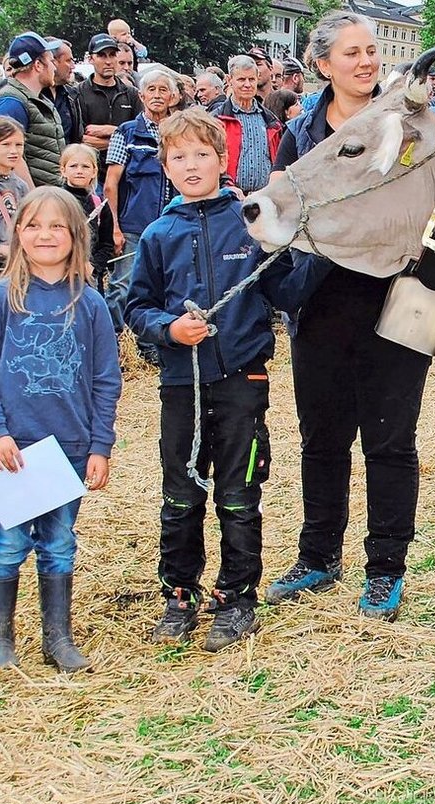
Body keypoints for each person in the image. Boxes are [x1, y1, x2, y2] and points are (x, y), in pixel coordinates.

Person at [266, 11, 434, 620]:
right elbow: (289, 214)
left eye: (371, 51)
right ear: (323, 64)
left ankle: (386, 568)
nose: (366, 61)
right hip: (323, 302)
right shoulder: (300, 132)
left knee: (391, 439)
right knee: (323, 437)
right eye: (352, 53)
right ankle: (318, 557)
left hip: (402, 299)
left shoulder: (407, 123)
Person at [124, 108, 300, 648]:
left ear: (222, 159)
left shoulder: (249, 219)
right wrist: (169, 330)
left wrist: (314, 254)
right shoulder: (158, 233)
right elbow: (137, 307)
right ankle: (179, 595)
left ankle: (237, 597)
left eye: (203, 154)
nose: (192, 164)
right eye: (179, 157)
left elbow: (286, 289)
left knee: (239, 492)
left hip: (241, 379)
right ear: (165, 166)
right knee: (180, 493)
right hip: (181, 382)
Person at [0, 186, 121, 672]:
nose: (45, 235)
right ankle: (3, 639)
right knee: (8, 542)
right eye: (33, 225)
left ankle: (58, 639)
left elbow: (106, 379)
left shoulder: (90, 304)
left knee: (58, 540)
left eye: (57, 226)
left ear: (76, 236)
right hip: (15, 449)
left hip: (67, 447)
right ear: (18, 233)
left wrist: (99, 444)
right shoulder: (5, 298)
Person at [105, 66, 179, 305]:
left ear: (172, 97)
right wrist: (115, 226)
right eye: (151, 89)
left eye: (163, 90)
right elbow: (110, 184)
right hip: (134, 225)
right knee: (123, 285)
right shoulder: (126, 133)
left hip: (172, 223)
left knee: (169, 284)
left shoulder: (179, 134)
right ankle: (112, 338)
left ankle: (154, 340)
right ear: (141, 96)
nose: (157, 95)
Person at [207, 56, 284, 194]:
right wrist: (225, 186)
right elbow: (207, 161)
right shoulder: (215, 120)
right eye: (241, 79)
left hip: (265, 196)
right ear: (230, 80)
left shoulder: (271, 121)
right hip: (228, 197)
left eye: (252, 79)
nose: (247, 85)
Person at [0, 32, 64, 187]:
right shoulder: (12, 101)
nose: (54, 67)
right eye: (51, 60)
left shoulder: (37, 99)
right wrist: (33, 199)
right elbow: (12, 157)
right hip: (34, 201)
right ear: (38, 65)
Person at [75, 34, 140, 186]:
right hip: (91, 175)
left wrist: (112, 131)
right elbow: (82, 140)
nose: (108, 61)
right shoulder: (77, 93)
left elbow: (138, 136)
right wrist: (122, 137)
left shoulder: (131, 94)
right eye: (102, 55)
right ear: (91, 59)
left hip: (125, 174)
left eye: (112, 54)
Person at [59, 144, 115, 315]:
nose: (79, 171)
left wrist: (93, 266)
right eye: (73, 166)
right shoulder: (55, 200)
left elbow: (107, 244)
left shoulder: (99, 204)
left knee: (90, 315)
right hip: (60, 274)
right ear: (63, 169)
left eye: (85, 166)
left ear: (94, 171)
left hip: (89, 276)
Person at [0, 118, 30, 269]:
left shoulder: (21, 186)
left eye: (19, 145)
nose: (14, 151)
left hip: (13, 265)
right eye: (5, 144)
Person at [43, 39, 83, 149]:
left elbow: (76, 138)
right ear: (53, 61)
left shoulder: (72, 95)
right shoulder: (32, 95)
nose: (73, 66)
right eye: (68, 61)